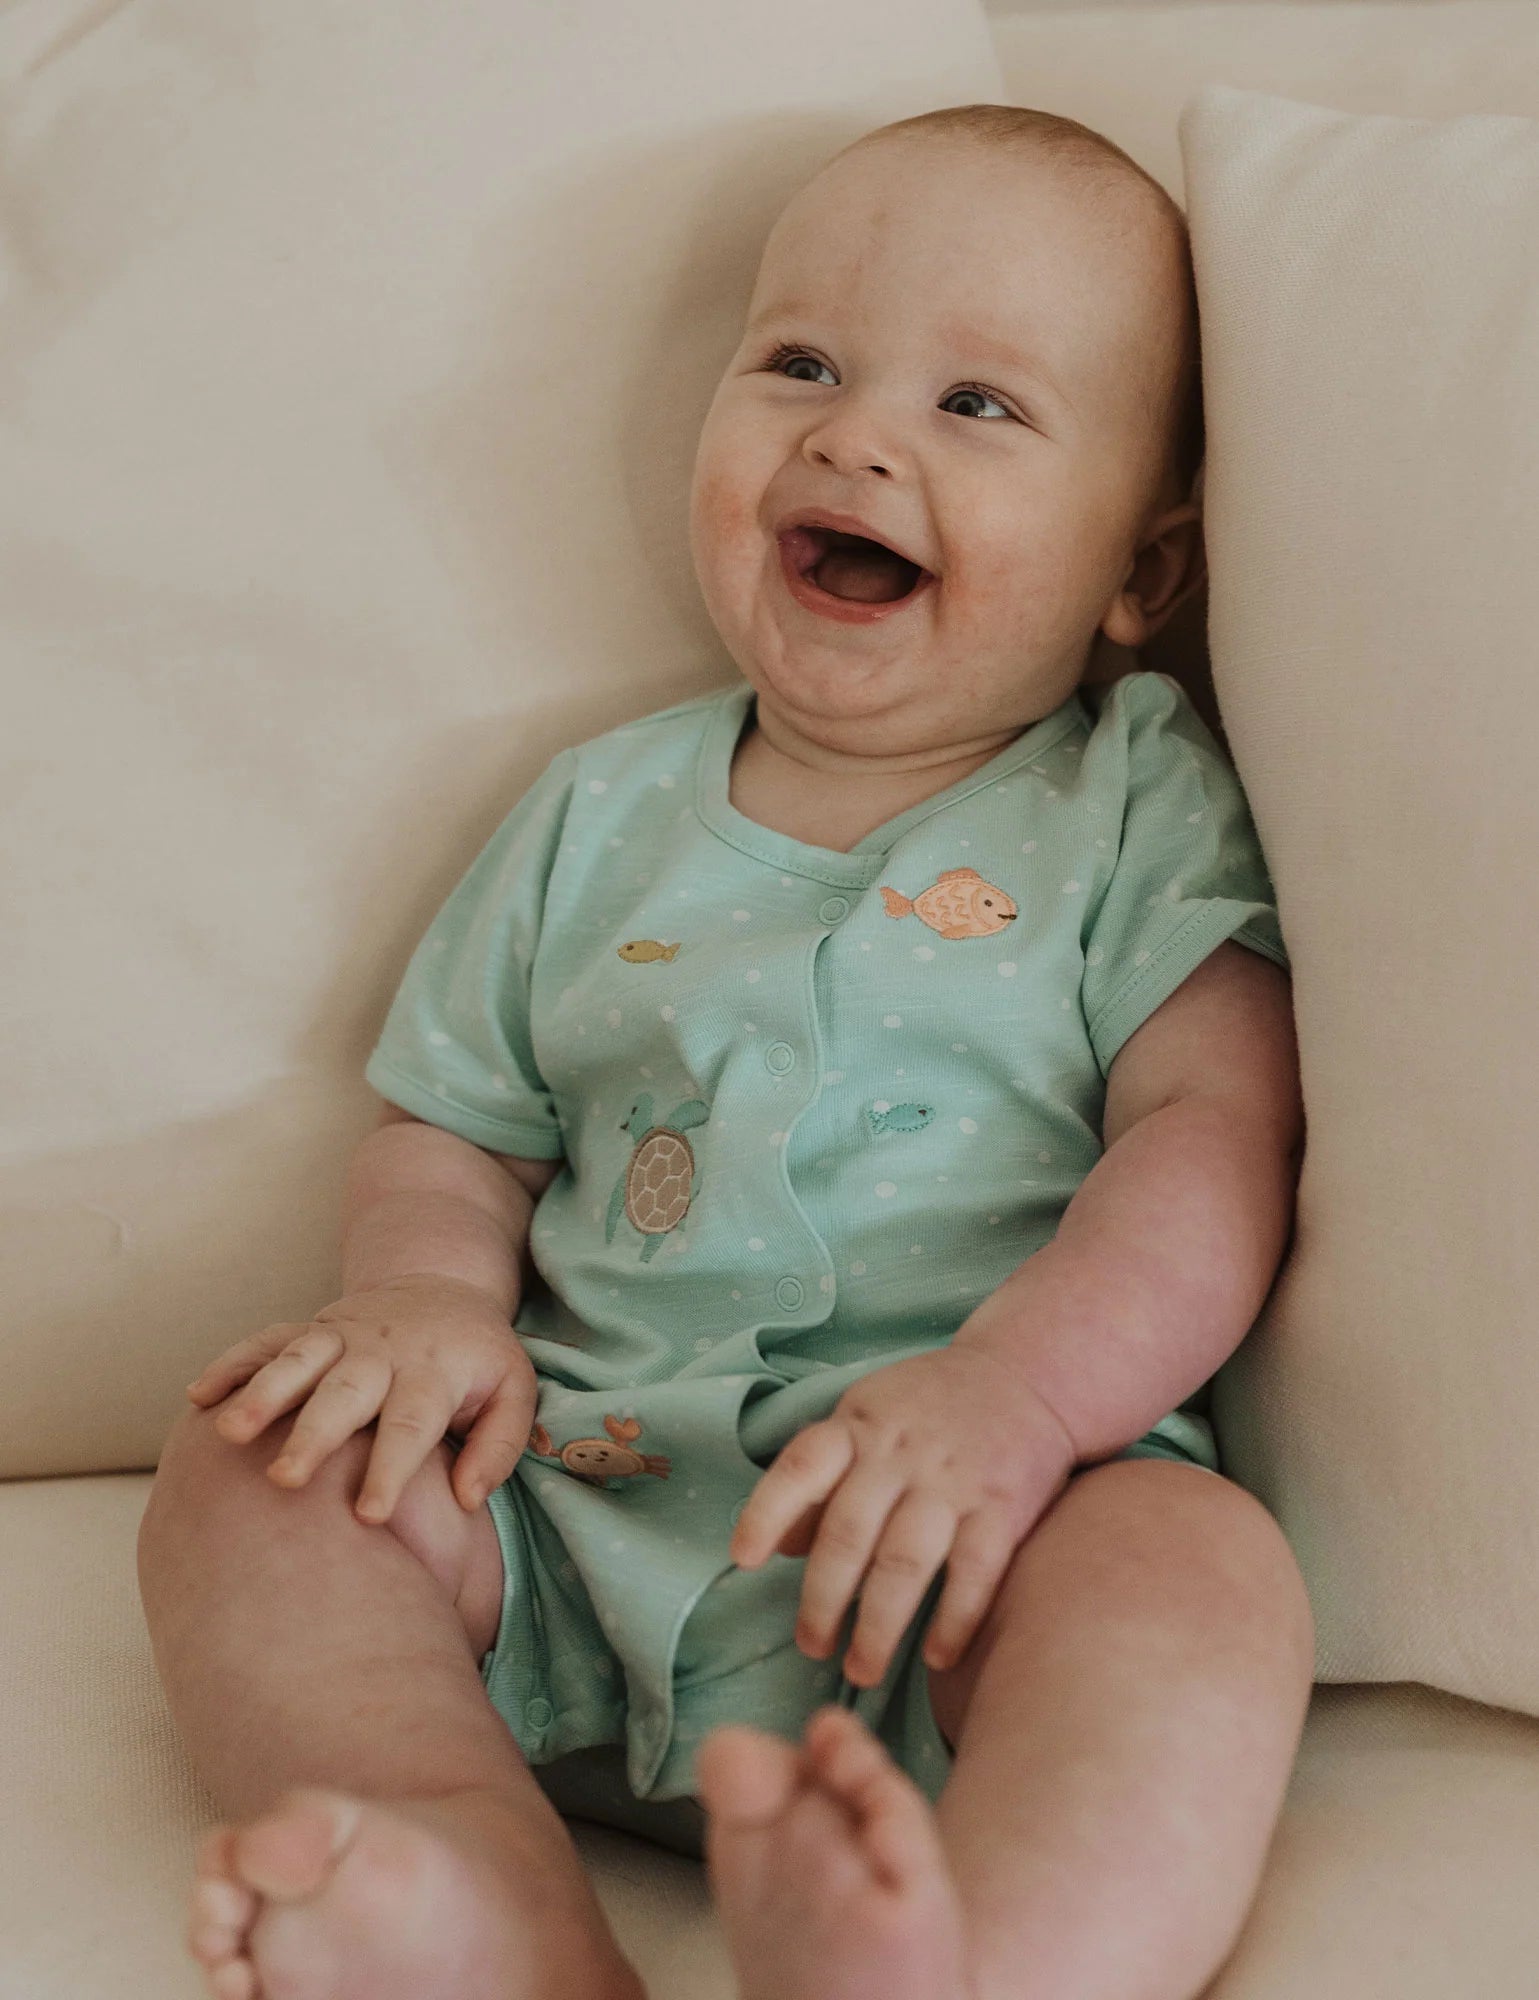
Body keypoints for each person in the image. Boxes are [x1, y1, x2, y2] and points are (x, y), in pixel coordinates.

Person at [139, 101, 1315, 2000]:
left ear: (1143, 572)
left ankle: (985, 1958)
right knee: (256, 1464)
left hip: (976, 1526)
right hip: (572, 1495)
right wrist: (423, 1302)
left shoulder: (1131, 807)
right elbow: (456, 1132)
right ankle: (477, 1891)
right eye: (801, 365)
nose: (855, 438)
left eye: (978, 405)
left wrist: (1022, 1401)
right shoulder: (594, 814)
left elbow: (1214, 1133)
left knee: (1196, 1574)